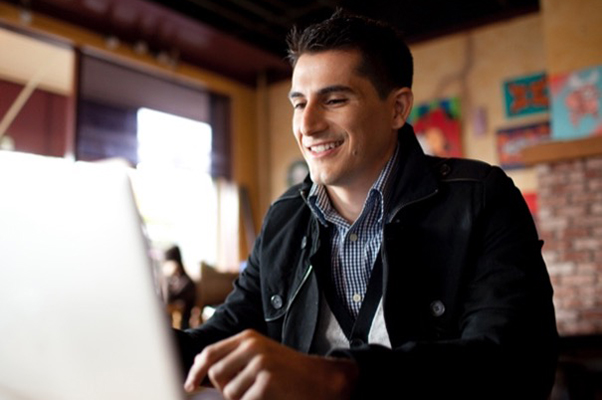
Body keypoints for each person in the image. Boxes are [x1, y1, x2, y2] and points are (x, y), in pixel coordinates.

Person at [175, 10, 558, 400]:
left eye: (335, 99)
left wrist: (336, 377)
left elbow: (513, 364)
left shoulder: (482, 198)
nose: (307, 125)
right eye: (298, 103)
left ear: (397, 108)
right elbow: (221, 338)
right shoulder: (284, 217)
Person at [163, 245, 197, 329]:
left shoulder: (186, 282)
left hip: (184, 326)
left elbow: (168, 298)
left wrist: (166, 276)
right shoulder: (172, 280)